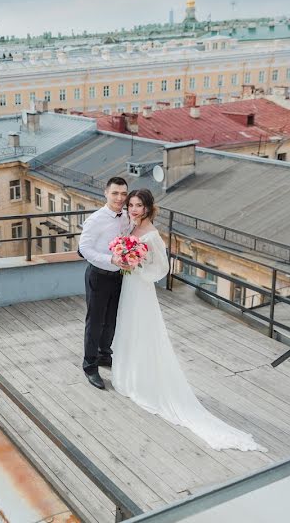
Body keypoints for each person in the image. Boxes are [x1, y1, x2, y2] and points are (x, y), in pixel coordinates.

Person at [111, 188, 264, 451]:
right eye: (131, 205)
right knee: (127, 330)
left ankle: (146, 383)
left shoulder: (152, 235)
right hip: (129, 286)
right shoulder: (130, 230)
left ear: (147, 208)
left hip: (141, 288)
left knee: (143, 332)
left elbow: (162, 268)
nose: (133, 209)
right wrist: (124, 259)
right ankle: (129, 377)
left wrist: (137, 265)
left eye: (138, 206)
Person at [77, 177, 131, 390]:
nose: (119, 198)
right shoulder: (95, 220)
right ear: (106, 193)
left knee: (111, 320)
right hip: (98, 275)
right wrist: (110, 259)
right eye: (115, 193)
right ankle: (90, 366)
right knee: (95, 322)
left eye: (123, 194)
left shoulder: (127, 217)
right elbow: (85, 249)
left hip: (119, 276)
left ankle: (104, 354)